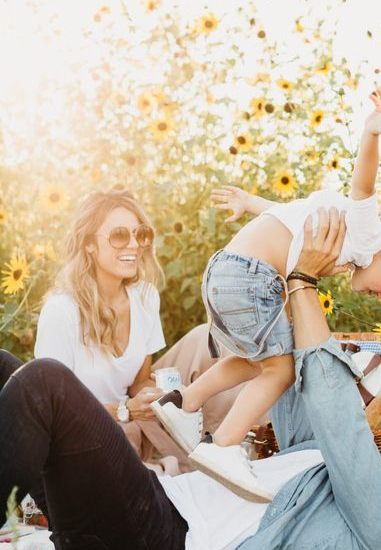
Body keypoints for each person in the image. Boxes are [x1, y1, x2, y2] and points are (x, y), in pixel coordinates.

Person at [0, 208, 381, 550]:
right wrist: (283, 272)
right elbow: (298, 380)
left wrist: (303, 281)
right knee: (8, 369)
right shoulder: (330, 465)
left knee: (46, 383)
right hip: (142, 510)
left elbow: (342, 421)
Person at [152, 87, 381, 500]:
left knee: (256, 360)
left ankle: (183, 401)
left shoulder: (336, 218)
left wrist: (250, 201)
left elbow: (286, 214)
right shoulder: (368, 231)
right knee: (282, 369)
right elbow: (364, 185)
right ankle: (225, 447)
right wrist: (371, 134)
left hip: (227, 272)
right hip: (253, 279)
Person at [29, 189, 241, 475]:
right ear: (89, 244)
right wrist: (125, 409)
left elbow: (138, 380)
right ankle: (177, 464)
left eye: (140, 235)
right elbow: (54, 412)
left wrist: (158, 395)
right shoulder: (62, 311)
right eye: (119, 235)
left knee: (208, 339)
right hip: (84, 433)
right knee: (122, 443)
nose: (133, 245)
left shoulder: (144, 296)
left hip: (132, 418)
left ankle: (225, 447)